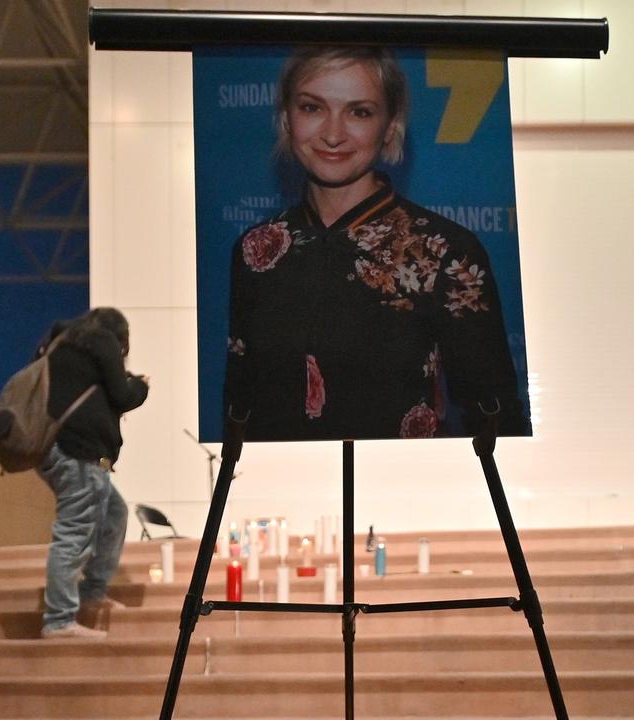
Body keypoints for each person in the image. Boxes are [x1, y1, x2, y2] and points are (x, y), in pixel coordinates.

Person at [223, 46, 526, 442]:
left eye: (359, 112)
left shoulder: (446, 252)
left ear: (390, 125)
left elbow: (494, 416)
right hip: (286, 492)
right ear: (285, 118)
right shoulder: (255, 251)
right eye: (312, 108)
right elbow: (240, 407)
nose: (333, 133)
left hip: (410, 493)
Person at [35, 307, 149, 639]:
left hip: (53, 449)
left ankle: (92, 594)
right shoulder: (102, 341)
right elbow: (122, 395)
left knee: (115, 513)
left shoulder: (59, 346)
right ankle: (58, 619)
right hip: (79, 452)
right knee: (73, 533)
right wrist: (140, 385)